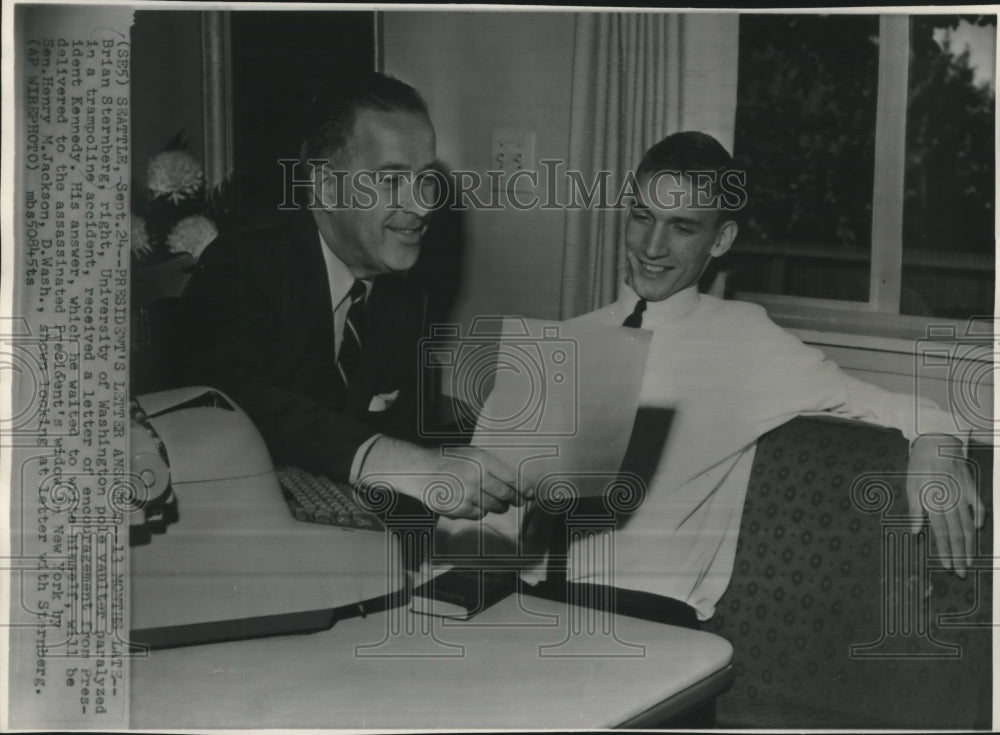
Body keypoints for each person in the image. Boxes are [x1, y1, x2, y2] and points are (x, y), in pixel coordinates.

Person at [524, 131, 984, 624]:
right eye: (643, 217)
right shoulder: (569, 337)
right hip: (528, 597)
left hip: (645, 619)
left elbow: (905, 408)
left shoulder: (745, 340)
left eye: (682, 227)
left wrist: (939, 446)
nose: (652, 246)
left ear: (720, 240)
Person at [174, 72, 521, 520]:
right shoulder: (243, 266)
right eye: (392, 180)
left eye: (425, 179)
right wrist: (401, 463)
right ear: (325, 187)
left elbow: (407, 441)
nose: (422, 206)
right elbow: (233, 400)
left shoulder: (403, 291)